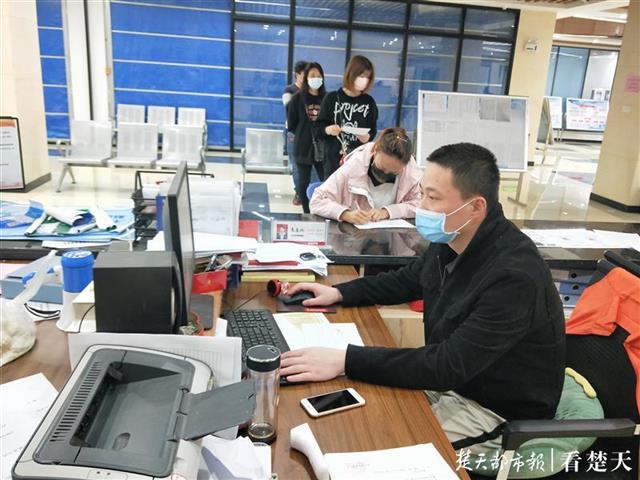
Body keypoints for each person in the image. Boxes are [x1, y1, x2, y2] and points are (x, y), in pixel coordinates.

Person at [281, 143, 565, 456]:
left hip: (494, 411)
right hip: (452, 384)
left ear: (475, 207)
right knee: (348, 409)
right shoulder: (455, 236)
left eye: (433, 197)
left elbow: (446, 365)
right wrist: (340, 292)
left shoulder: (514, 276)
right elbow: (409, 279)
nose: (422, 207)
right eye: (422, 193)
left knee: (369, 442)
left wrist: (345, 360)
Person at [310, 127, 421, 224]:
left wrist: (388, 212)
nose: (385, 174)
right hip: (353, 236)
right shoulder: (353, 167)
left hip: (393, 236)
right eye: (381, 168)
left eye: (393, 172)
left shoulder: (410, 173)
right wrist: (345, 214)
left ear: (405, 166)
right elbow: (317, 201)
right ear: (374, 150)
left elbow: (421, 206)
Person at [315, 55, 378, 178]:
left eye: (368, 77)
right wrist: (328, 130)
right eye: (361, 76)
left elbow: (372, 129)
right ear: (352, 74)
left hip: (358, 162)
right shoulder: (332, 98)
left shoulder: (369, 102)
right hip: (333, 162)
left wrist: (367, 137)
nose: (364, 80)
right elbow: (317, 128)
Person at [287, 62, 327, 213]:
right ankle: (306, 212)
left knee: (325, 181)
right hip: (303, 146)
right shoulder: (297, 99)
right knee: (303, 182)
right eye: (312, 76)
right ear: (306, 78)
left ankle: (322, 210)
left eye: (318, 76)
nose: (316, 79)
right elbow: (292, 124)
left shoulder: (327, 98)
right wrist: (304, 133)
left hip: (323, 147)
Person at [283, 60, 308, 206]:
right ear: (297, 74)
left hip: (309, 134)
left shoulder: (312, 91)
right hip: (294, 133)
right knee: (296, 166)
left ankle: (307, 192)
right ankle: (299, 193)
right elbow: (289, 109)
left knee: (309, 166)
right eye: (305, 74)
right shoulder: (289, 90)